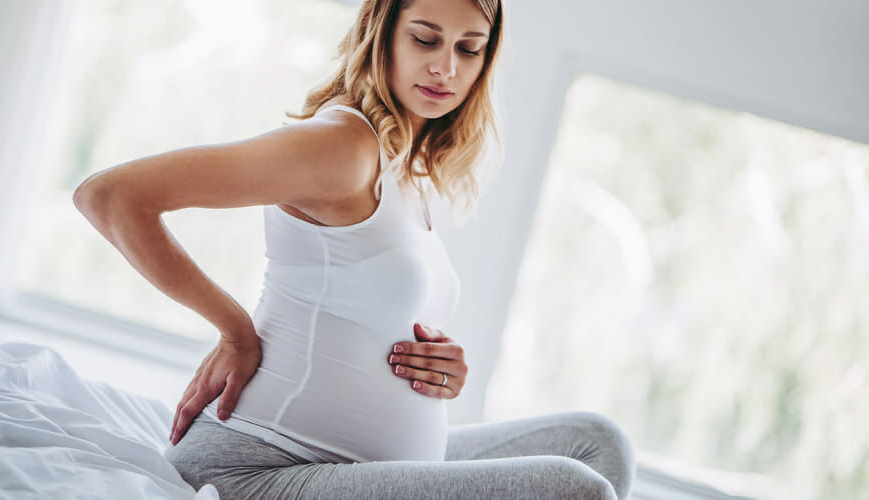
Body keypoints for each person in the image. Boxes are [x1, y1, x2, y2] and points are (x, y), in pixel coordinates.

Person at [73, 0, 635, 498]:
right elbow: (111, 197)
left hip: (355, 468)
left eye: (470, 49)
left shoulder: (408, 170)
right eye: (425, 38)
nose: (446, 67)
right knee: (574, 489)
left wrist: (443, 378)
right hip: (260, 467)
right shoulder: (342, 146)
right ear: (381, 31)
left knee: (595, 442)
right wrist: (234, 330)